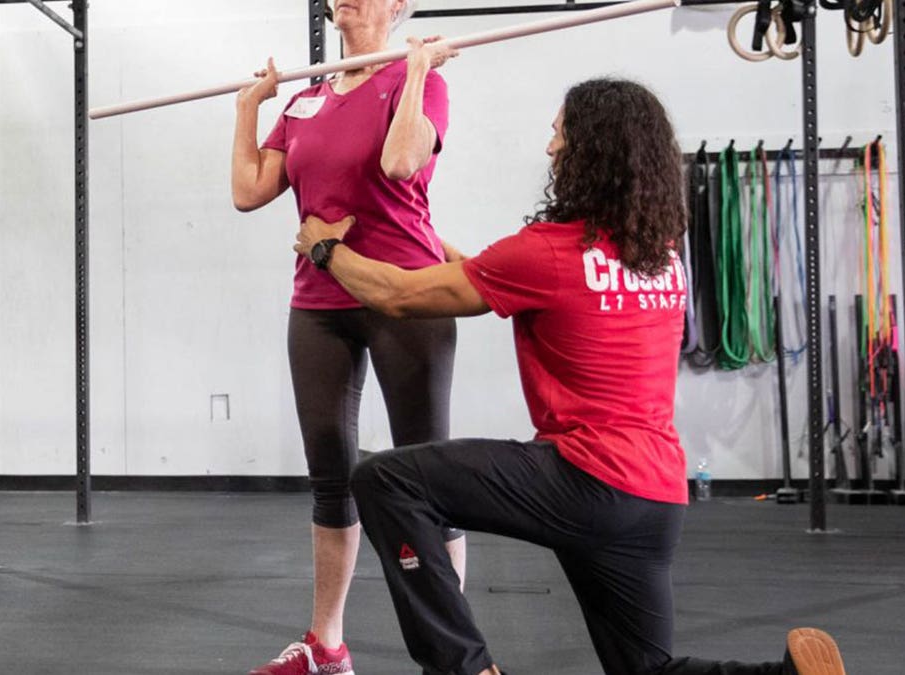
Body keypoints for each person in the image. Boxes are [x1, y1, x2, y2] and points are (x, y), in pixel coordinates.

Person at [292, 78, 847, 675]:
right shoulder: (658, 253)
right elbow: (494, 272)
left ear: (589, 151)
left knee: (386, 479)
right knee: (645, 670)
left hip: (585, 478)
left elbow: (397, 296)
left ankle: (464, 667)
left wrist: (325, 250)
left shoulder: (547, 253)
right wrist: (417, 236)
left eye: (559, 134)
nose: (551, 148)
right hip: (656, 496)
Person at [231, 2, 467, 673]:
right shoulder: (305, 100)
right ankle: (325, 648)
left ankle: (454, 652)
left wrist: (415, 69)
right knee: (331, 478)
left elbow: (399, 162)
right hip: (319, 299)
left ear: (398, 6)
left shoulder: (420, 81)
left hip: (406, 295)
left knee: (429, 478)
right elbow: (249, 191)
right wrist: (251, 105)